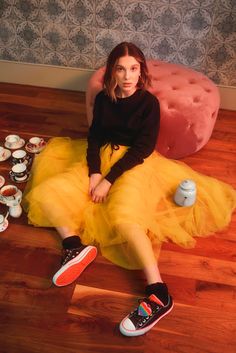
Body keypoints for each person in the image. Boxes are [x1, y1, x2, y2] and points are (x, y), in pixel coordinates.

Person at [22, 42, 236, 337]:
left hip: (135, 162)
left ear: (141, 71)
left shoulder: (148, 104)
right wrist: (94, 172)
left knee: (124, 218)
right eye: (121, 69)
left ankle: (159, 293)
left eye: (133, 68)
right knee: (47, 193)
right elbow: (94, 137)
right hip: (102, 157)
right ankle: (73, 246)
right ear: (112, 71)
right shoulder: (103, 99)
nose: (127, 76)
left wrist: (109, 180)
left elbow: (143, 148)